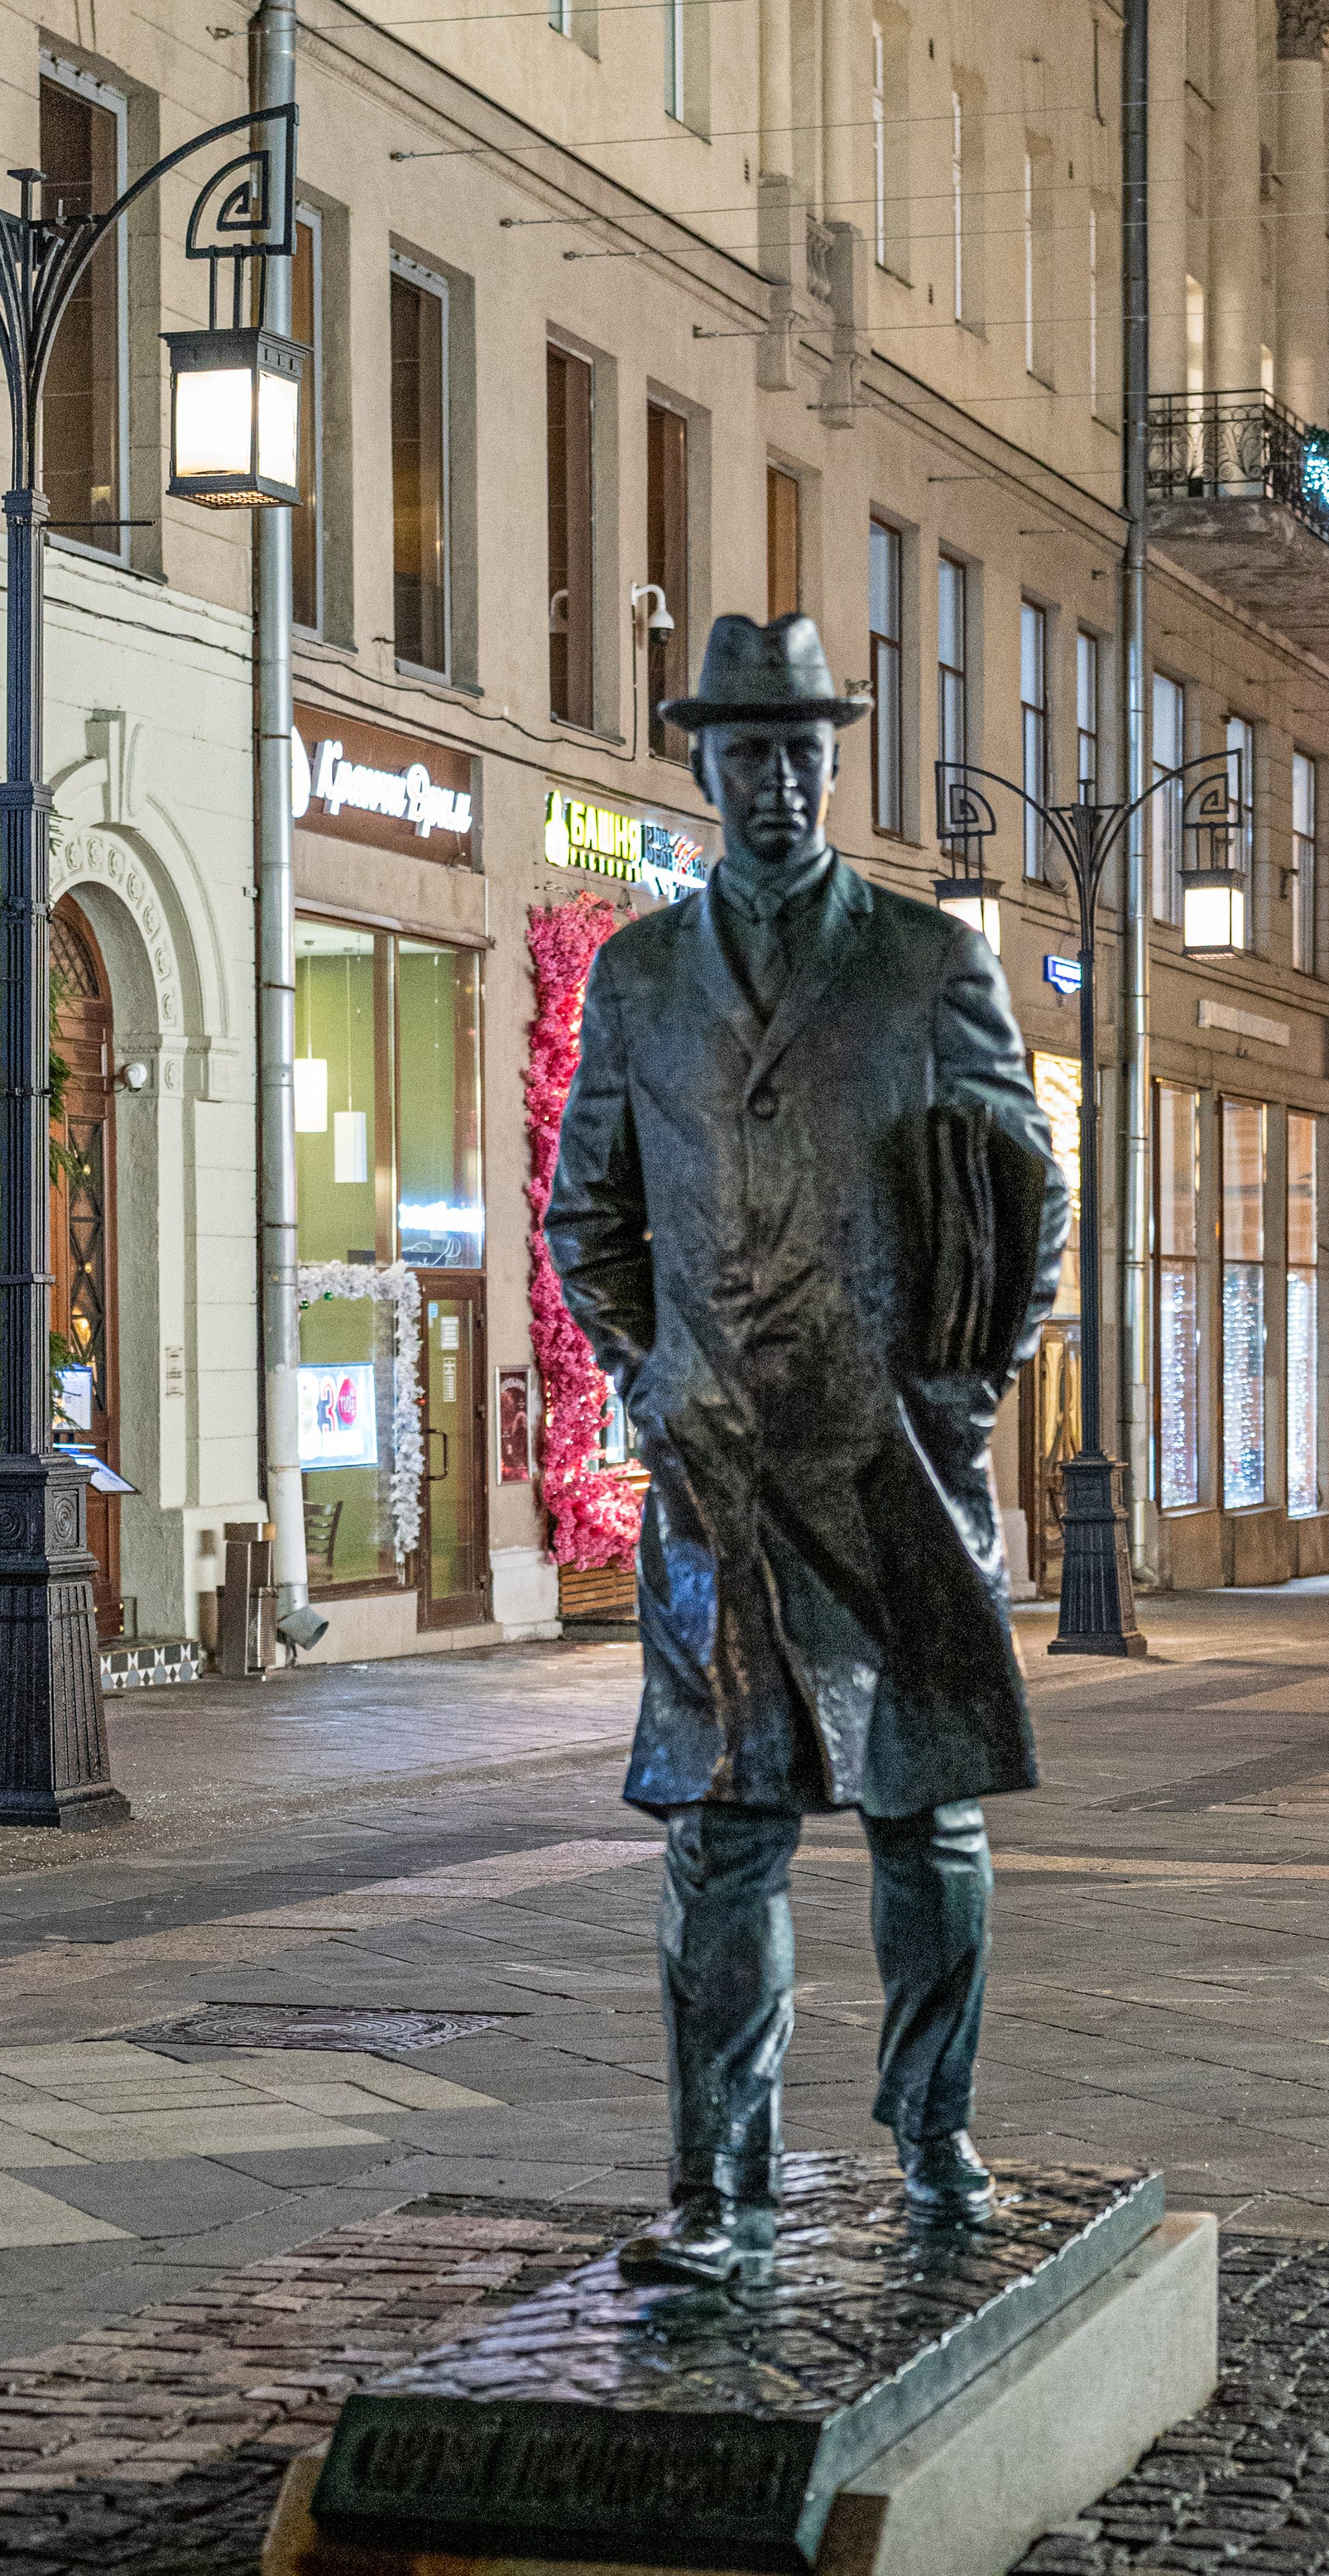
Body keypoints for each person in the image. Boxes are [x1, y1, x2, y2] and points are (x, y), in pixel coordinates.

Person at [546, 613, 1068, 2286]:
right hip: (721, 1475)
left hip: (893, 1464)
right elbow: (586, 1219)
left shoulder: (924, 963)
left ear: (835, 761)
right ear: (697, 764)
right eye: (743, 751)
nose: (773, 781)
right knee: (722, 1831)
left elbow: (1026, 1194)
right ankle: (718, 2187)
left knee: (930, 1822)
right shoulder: (637, 979)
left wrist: (961, 1394)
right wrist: (644, 1371)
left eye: (800, 751)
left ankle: (933, 2136)